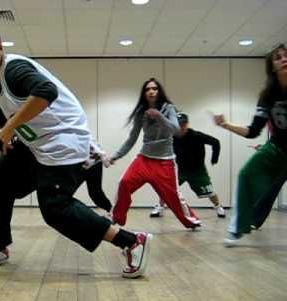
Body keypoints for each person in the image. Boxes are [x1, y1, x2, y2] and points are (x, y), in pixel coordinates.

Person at [0, 19, 151, 278]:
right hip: (37, 146)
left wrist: (11, 126)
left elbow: (46, 91)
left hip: (63, 142)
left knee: (55, 209)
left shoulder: (14, 69)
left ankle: (131, 241)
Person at [213, 43, 287, 246]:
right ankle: (238, 228)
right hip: (278, 150)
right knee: (246, 174)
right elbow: (253, 131)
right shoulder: (268, 96)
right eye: (278, 57)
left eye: (286, 55)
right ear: (272, 66)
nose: (284, 59)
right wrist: (226, 124)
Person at [108, 78, 201, 229]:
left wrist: (159, 116)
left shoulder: (169, 108)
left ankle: (191, 221)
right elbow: (132, 138)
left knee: (173, 197)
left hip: (165, 162)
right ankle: (116, 217)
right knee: (124, 183)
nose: (151, 91)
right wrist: (116, 156)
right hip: (144, 159)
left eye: (155, 88)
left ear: (159, 92)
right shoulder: (141, 113)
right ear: (144, 93)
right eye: (147, 89)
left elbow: (176, 131)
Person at [0, 136, 113, 214]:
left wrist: (99, 151)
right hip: (72, 163)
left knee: (95, 194)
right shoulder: (4, 136)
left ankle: (112, 213)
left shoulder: (38, 124)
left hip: (89, 160)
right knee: (63, 197)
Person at [150, 112, 226, 218]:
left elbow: (216, 142)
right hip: (178, 169)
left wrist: (214, 159)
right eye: (178, 124)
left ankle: (218, 207)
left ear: (187, 124)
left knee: (209, 191)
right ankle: (160, 207)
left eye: (183, 124)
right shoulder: (170, 137)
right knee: (166, 188)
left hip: (197, 170)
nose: (181, 127)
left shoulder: (196, 135)